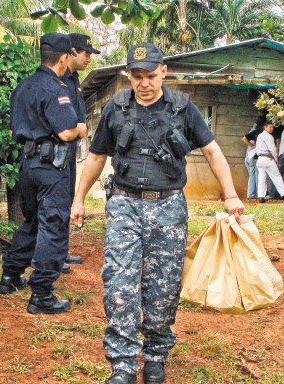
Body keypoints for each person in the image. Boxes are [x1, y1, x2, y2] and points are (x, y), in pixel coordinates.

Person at [71, 43, 244, 384]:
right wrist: (78, 200)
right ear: (129, 76)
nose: (144, 83)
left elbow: (211, 150)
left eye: (150, 75)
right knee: (119, 284)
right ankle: (122, 364)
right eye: (137, 77)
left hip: (168, 205)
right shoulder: (116, 108)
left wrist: (231, 194)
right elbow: (95, 157)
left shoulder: (183, 108)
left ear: (163, 72)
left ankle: (154, 356)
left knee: (163, 288)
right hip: (124, 203)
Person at [0, 33, 87, 314]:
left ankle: (10, 275)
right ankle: (42, 293)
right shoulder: (55, 88)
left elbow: (14, 132)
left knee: (33, 222)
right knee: (53, 225)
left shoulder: (23, 87)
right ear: (63, 58)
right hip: (51, 167)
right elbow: (65, 131)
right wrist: (80, 130)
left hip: (27, 166)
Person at [61, 33, 100, 267]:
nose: (89, 59)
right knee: (56, 202)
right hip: (58, 148)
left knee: (65, 198)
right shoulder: (57, 78)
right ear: (72, 51)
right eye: (87, 54)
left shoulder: (73, 79)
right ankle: (54, 256)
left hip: (69, 149)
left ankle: (60, 252)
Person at [256, 121, 284, 203]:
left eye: (272, 127)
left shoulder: (260, 136)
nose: (272, 129)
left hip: (260, 159)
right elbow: (272, 149)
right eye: (270, 127)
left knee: (262, 178)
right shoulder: (269, 136)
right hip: (267, 159)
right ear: (265, 127)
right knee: (277, 176)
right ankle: (283, 194)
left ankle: (261, 197)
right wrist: (276, 160)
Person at [242, 124, 258, 199]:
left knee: (252, 176)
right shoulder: (254, 135)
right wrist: (254, 146)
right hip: (252, 158)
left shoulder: (250, 133)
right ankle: (251, 195)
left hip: (247, 157)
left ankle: (252, 194)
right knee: (253, 176)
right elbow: (244, 139)